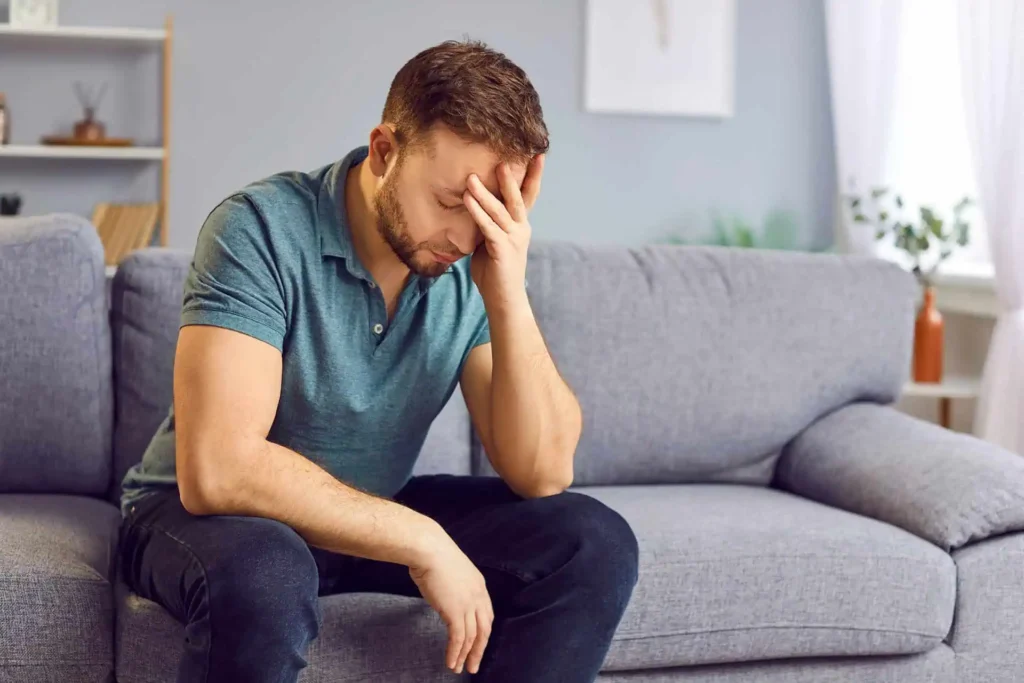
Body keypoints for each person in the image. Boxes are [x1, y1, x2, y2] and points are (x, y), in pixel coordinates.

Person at [118, 40, 639, 683]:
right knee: (267, 570)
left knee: (593, 543)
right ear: (385, 150)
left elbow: (542, 472)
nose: (466, 234)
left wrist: (505, 289)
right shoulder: (259, 228)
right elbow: (219, 470)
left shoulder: (467, 262)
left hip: (361, 513)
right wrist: (421, 538)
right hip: (202, 519)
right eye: (452, 202)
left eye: (489, 212)